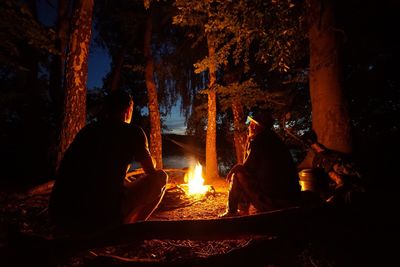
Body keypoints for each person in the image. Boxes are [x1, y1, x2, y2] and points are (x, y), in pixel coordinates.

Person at [49, 90, 168, 235]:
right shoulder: (133, 132)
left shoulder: (88, 130)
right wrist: (151, 160)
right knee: (161, 177)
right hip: (101, 215)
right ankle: (130, 230)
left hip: (62, 214)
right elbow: (150, 171)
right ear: (128, 110)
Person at [219, 111, 301, 217]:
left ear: (255, 127)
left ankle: (233, 211)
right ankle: (242, 209)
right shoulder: (275, 139)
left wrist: (236, 168)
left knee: (238, 174)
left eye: (251, 124)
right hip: (290, 194)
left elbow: (247, 168)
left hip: (274, 200)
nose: (249, 127)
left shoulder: (258, 141)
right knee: (241, 172)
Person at [302, 130, 366, 205]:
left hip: (352, 190)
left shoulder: (327, 159)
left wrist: (331, 199)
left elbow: (341, 181)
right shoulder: (322, 158)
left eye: (305, 143)